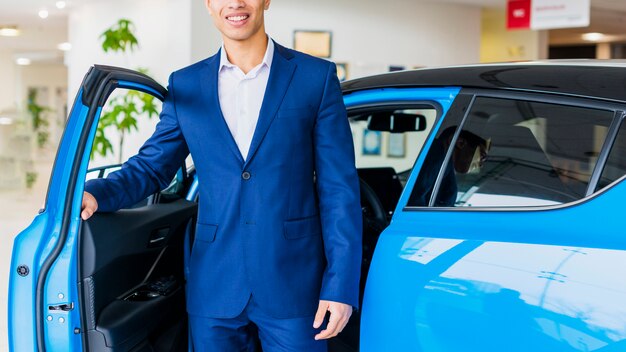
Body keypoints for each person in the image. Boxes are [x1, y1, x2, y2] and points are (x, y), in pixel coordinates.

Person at [80, 0, 362, 350]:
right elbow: (152, 167)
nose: (236, 4)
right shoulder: (186, 84)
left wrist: (340, 287)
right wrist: (96, 193)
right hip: (215, 284)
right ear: (209, 5)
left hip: (294, 282)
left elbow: (339, 191)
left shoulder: (314, 77)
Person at [409, 127, 490, 207]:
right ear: (460, 143)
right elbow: (414, 199)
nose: (481, 164)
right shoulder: (437, 154)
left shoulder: (445, 166)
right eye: (482, 156)